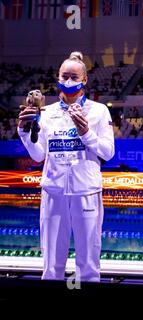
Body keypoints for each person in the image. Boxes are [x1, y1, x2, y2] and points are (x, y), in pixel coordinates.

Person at [18, 51, 115, 282]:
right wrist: (23, 131)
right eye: (65, 76)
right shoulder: (46, 113)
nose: (69, 81)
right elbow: (38, 155)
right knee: (52, 265)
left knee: (88, 264)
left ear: (84, 80)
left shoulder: (99, 111)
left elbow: (108, 152)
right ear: (58, 78)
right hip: (54, 192)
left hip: (86, 192)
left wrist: (86, 133)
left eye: (74, 76)